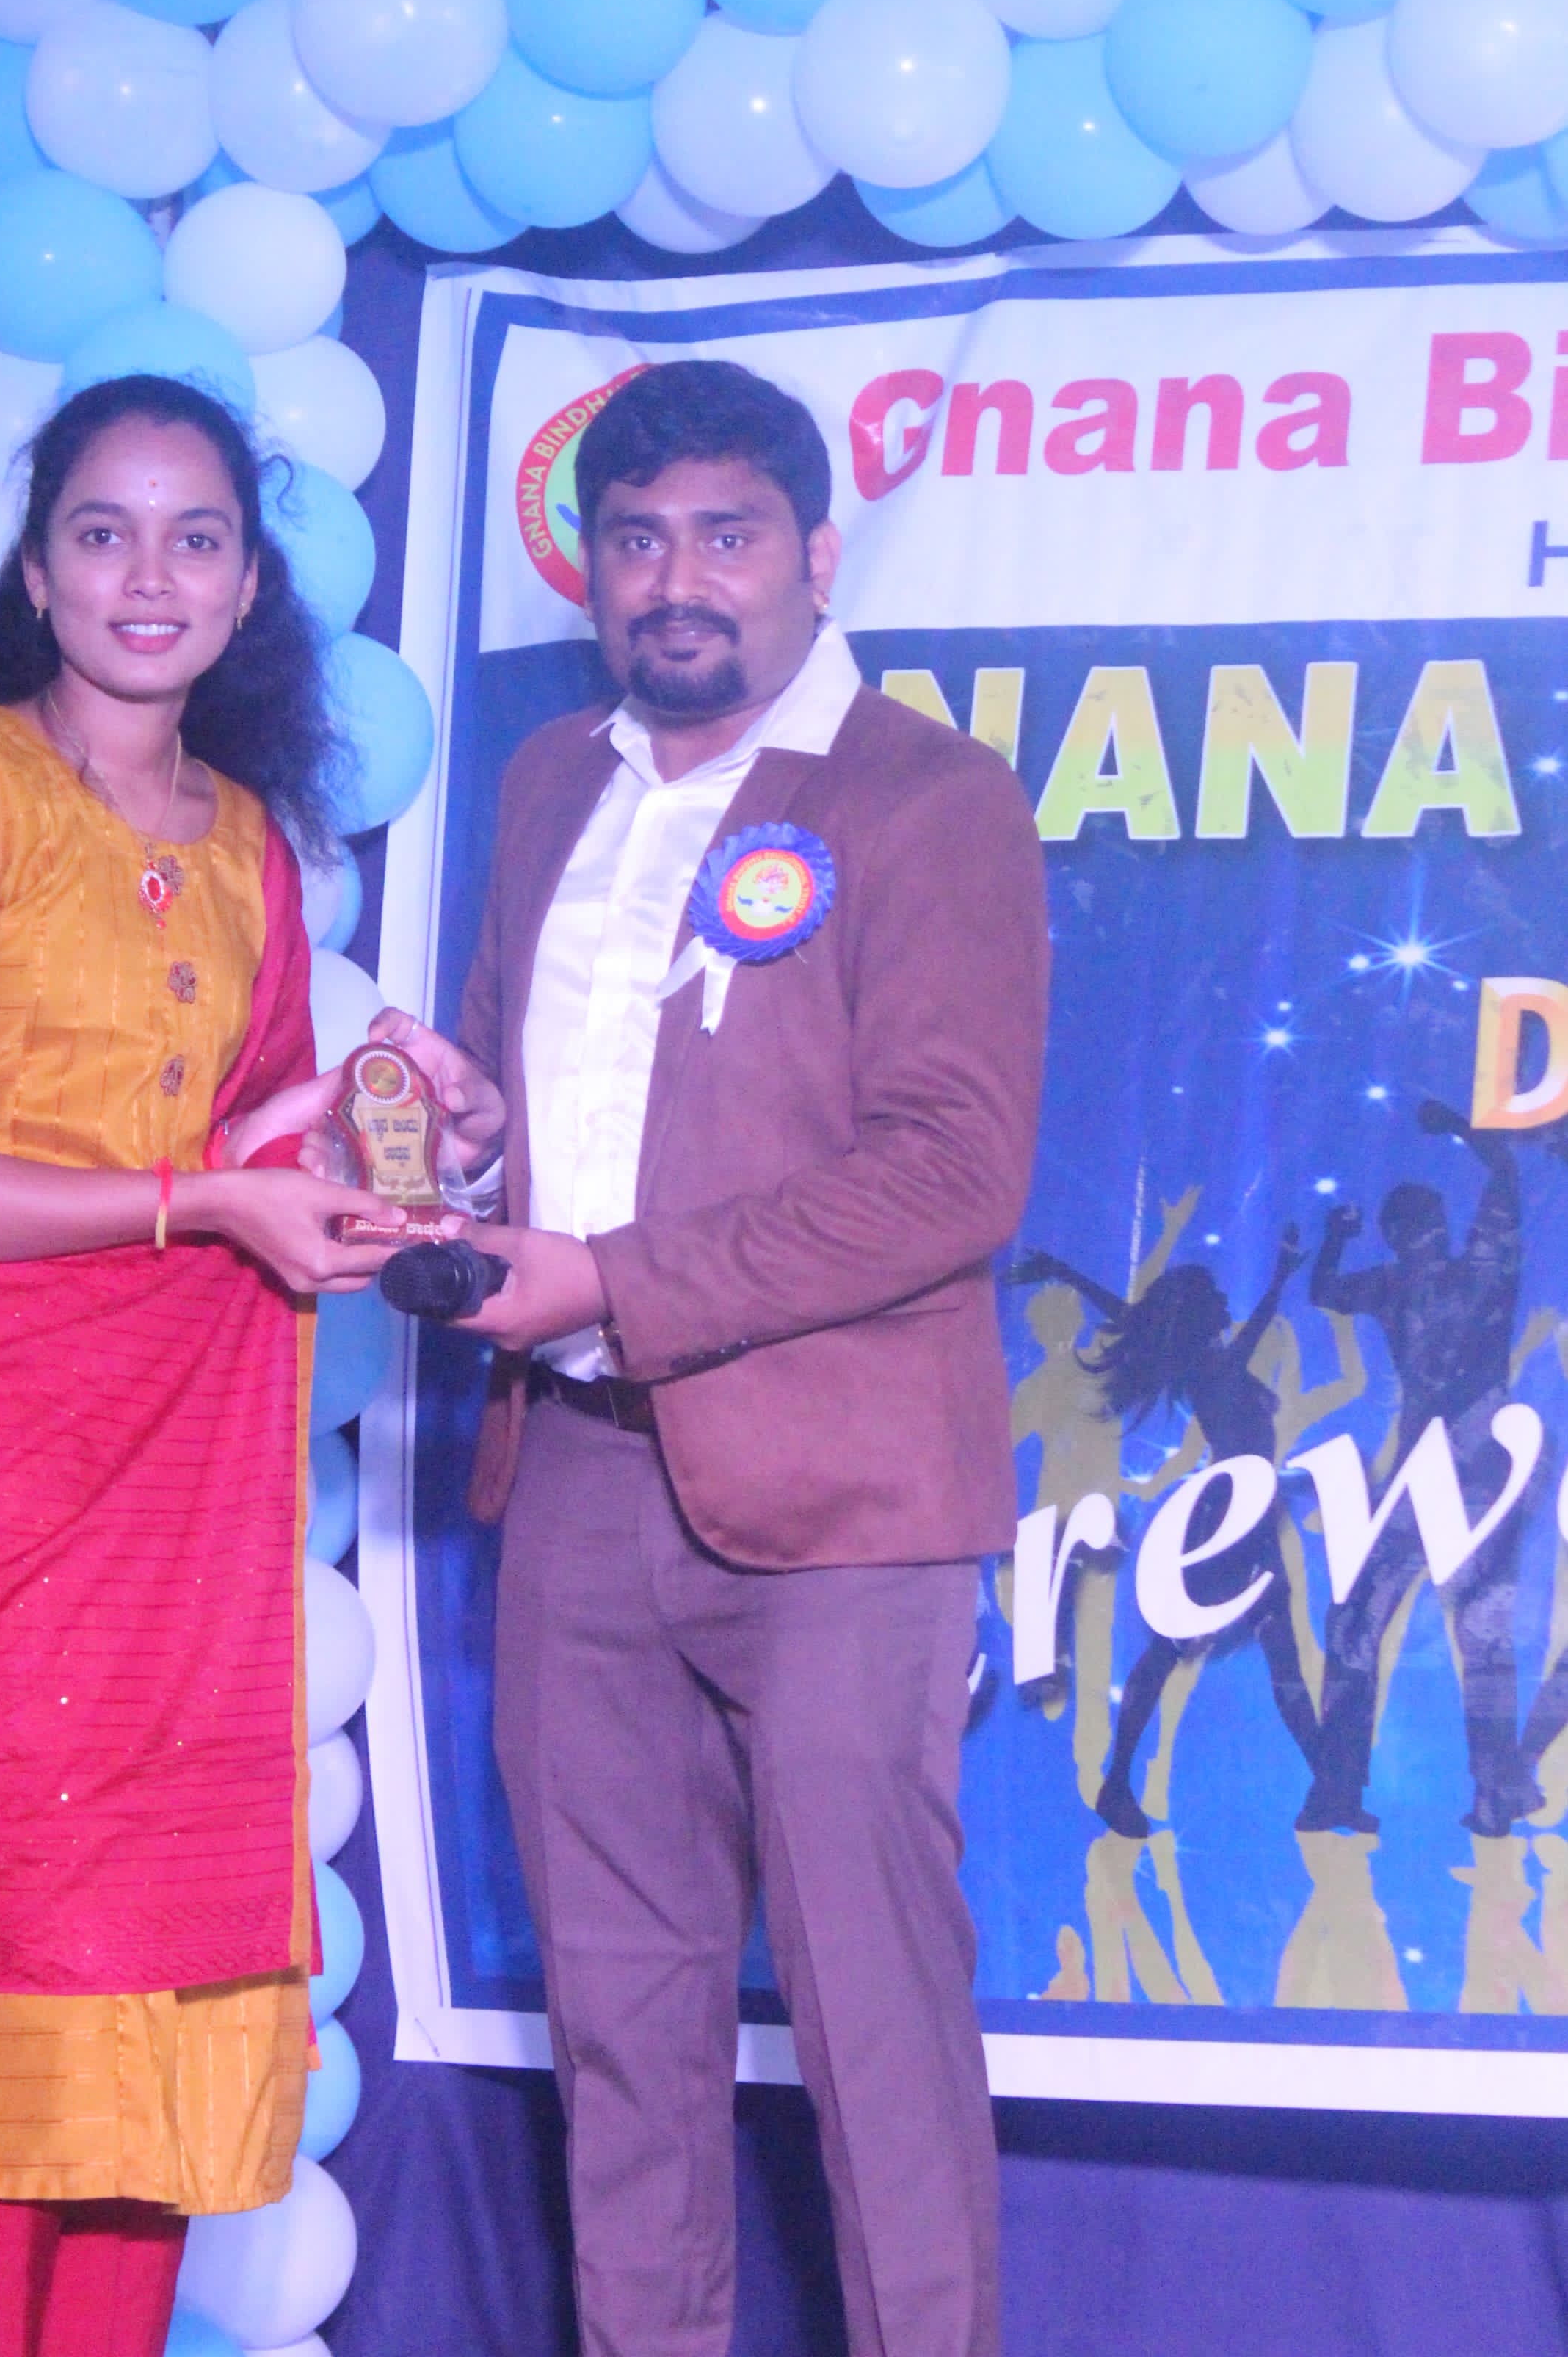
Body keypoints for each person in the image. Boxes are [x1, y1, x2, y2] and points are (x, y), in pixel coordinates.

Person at [382, 358, 1049, 2357]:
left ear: (816, 554)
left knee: (876, 2036)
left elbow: (952, 1173)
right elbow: (551, 1107)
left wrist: (606, 1275)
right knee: (621, 2030)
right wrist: (462, 1130)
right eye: (637, 538)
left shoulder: (927, 794)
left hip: (845, 1499)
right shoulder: (546, 784)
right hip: (577, 1475)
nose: (676, 579)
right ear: (591, 564)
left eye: (726, 535)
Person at [0, 374, 394, 2357]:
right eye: (103, 531)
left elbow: (255, 1140)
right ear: (38, 570)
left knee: (140, 1993)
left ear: (248, 587)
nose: (150, 576)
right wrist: (198, 1202)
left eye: (196, 537)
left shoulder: (252, 845)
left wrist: (402, 1111)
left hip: (177, 1503)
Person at [1008, 1233, 1319, 1837]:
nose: (1226, 1301)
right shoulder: (1210, 1366)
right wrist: (1280, 1276)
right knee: (1190, 1650)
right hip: (1228, 1520)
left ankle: (1324, 1782)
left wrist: (1063, 1269)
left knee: (1264, 1650)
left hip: (1243, 1515)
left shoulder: (1208, 1362)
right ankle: (1119, 1782)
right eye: (1216, 1297)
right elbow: (1152, 1321)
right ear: (1197, 1313)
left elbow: (1136, 1320)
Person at [1300, 1098, 1534, 1839]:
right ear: (1413, 1234)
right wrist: (1458, 1130)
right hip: (1446, 1472)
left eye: (1421, 1225)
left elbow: (1324, 1289)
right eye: (1414, 1229)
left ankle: (1362, 1789)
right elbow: (1503, 1177)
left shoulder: (1446, 1277)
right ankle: (1350, 1789)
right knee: (1413, 1625)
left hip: (1456, 1469)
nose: (1421, 1237)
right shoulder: (1440, 1277)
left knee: (1405, 1625)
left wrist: (1335, 1240)